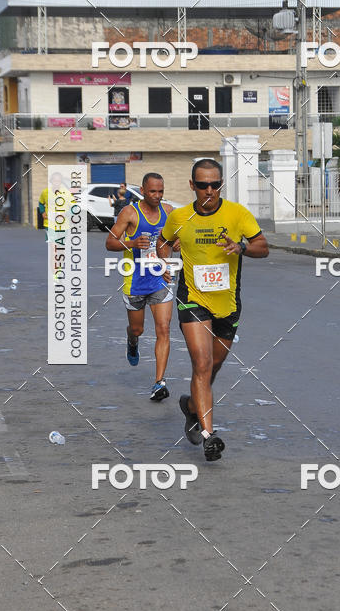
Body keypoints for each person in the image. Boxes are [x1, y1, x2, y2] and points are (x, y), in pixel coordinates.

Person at [157, 158, 269, 462]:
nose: (209, 190)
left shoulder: (237, 214)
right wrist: (165, 262)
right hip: (192, 299)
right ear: (192, 186)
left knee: (212, 368)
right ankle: (209, 435)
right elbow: (163, 242)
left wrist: (241, 247)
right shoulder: (179, 216)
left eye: (215, 184)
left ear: (221, 185)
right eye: (203, 185)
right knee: (202, 363)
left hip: (227, 304)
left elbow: (263, 246)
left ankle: (191, 407)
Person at [106, 172, 179, 402]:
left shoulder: (168, 211)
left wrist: (177, 244)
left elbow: (175, 240)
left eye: (161, 191)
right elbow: (110, 242)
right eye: (153, 191)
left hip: (160, 278)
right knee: (138, 329)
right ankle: (132, 340)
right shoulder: (130, 212)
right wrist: (132, 243)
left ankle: (159, 382)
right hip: (135, 280)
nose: (157, 196)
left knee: (164, 329)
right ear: (143, 191)